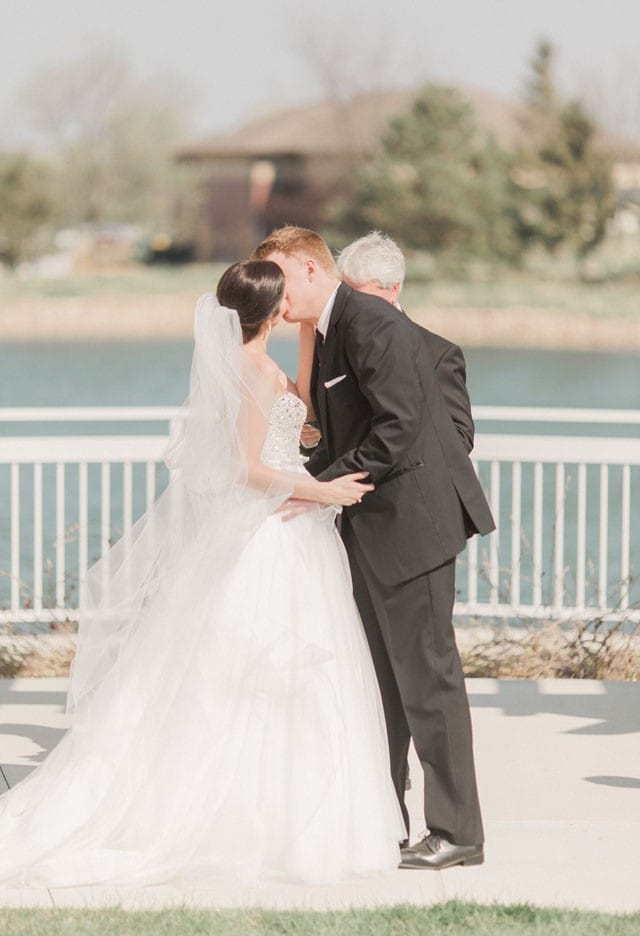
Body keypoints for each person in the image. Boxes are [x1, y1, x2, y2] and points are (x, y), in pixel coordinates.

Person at [0, 260, 405, 887]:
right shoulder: (250, 376)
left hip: (284, 533)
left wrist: (305, 346)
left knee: (270, 680)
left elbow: (302, 421)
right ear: (273, 311)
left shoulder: (253, 366)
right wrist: (322, 491)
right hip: (267, 535)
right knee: (253, 677)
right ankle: (249, 820)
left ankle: (273, 817)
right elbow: (249, 468)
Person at [252, 227, 495, 870]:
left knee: (428, 684)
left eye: (278, 278)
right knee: (381, 688)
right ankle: (386, 820)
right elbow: (342, 432)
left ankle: (458, 833)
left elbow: (399, 428)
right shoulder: (332, 330)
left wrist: (316, 488)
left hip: (409, 530)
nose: (275, 296)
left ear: (307, 268)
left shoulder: (369, 323)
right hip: (368, 528)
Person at [337, 232, 475, 453]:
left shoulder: (438, 354)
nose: (353, 308)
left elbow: (459, 438)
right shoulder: (333, 345)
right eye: (347, 297)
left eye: (364, 299)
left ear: (395, 289)